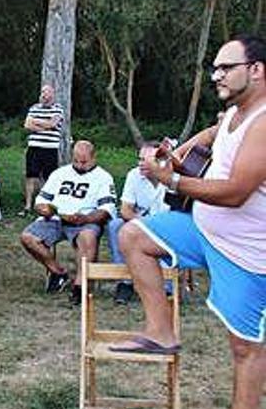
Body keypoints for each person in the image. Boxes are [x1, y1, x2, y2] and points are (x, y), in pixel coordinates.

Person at [110, 35, 266, 409]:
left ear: (257, 70)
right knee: (132, 235)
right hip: (204, 231)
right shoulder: (234, 112)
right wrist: (180, 151)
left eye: (225, 67)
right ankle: (161, 331)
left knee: (246, 351)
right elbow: (214, 134)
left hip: (245, 254)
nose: (217, 75)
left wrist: (172, 181)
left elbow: (235, 193)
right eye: (214, 68)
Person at [19, 140, 116, 305]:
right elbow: (41, 200)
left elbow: (107, 209)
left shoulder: (103, 178)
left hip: (85, 220)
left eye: (83, 161)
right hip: (56, 218)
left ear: (93, 158)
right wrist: (45, 209)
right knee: (27, 237)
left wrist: (85, 218)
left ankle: (79, 287)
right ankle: (58, 272)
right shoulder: (59, 174)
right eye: (76, 160)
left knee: (87, 237)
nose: (79, 165)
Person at [108, 141, 171, 304]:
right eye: (139, 159)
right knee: (115, 225)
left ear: (159, 161)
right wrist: (143, 223)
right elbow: (125, 210)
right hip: (142, 224)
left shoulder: (172, 177)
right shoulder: (133, 175)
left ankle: (167, 283)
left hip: (167, 227)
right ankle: (125, 283)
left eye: (145, 160)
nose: (140, 164)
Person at [21, 84, 64, 215]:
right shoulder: (34, 108)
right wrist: (45, 126)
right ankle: (28, 205)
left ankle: (47, 203)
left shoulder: (58, 109)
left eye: (47, 92)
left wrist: (36, 122)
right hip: (34, 147)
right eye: (42, 92)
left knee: (49, 177)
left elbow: (53, 124)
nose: (44, 95)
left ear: (52, 95)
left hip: (50, 148)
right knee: (30, 175)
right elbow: (27, 125)